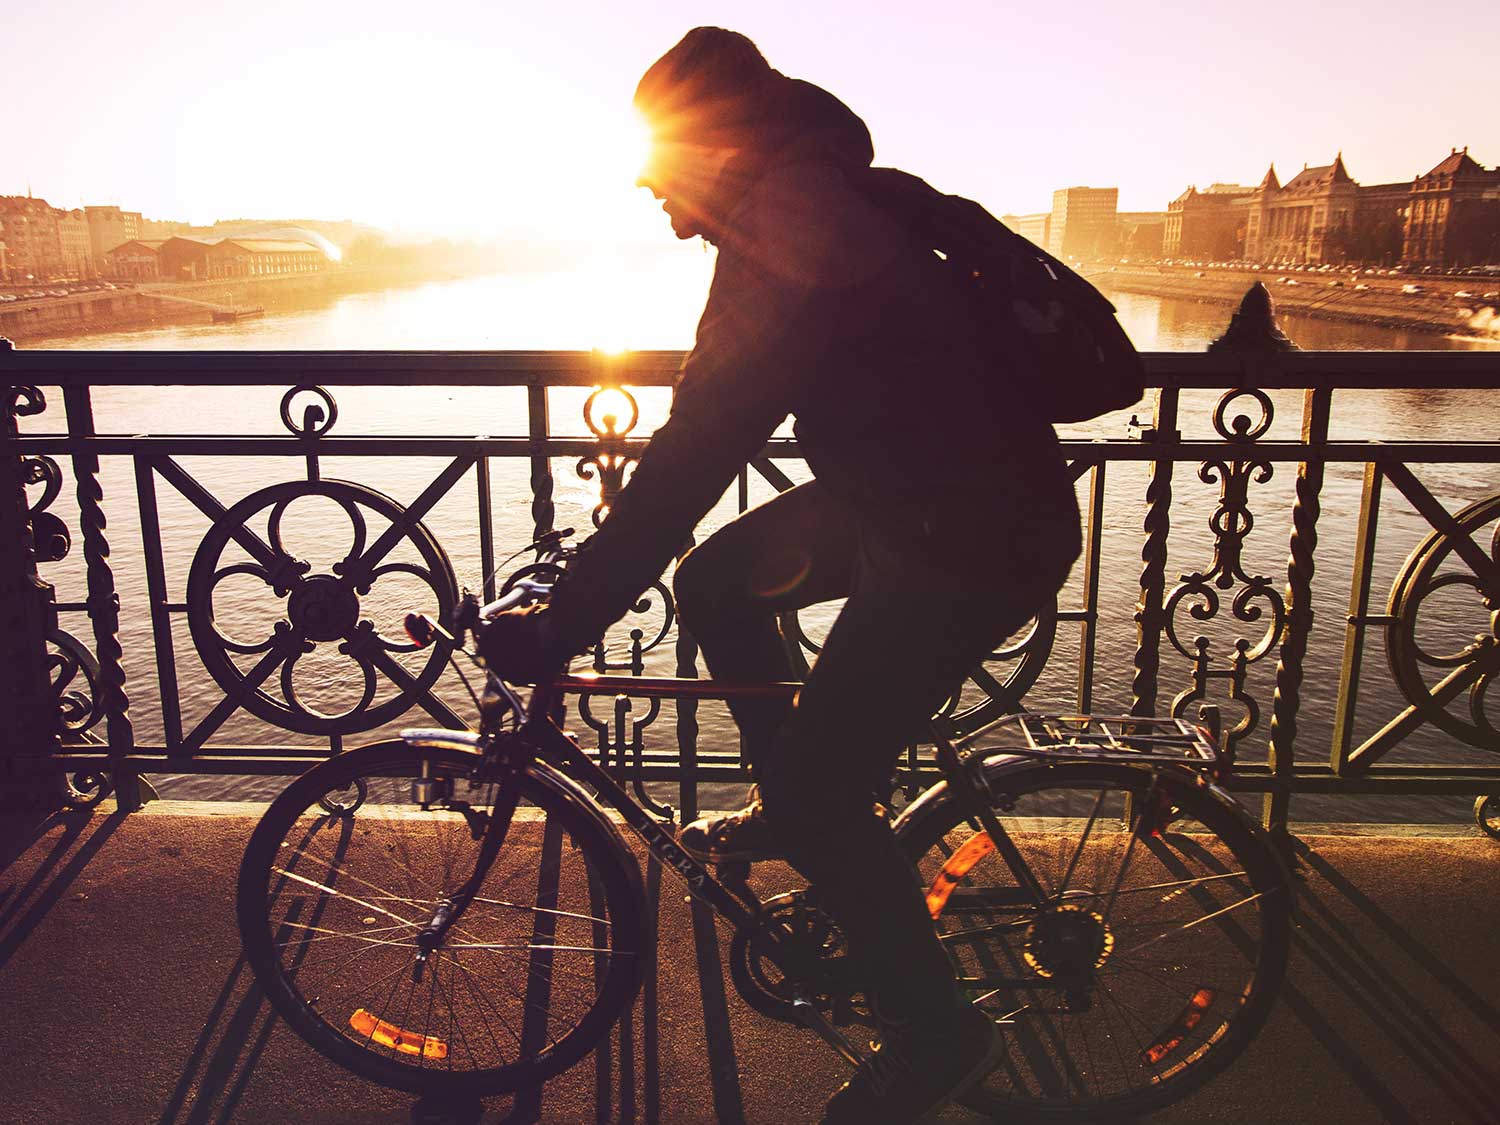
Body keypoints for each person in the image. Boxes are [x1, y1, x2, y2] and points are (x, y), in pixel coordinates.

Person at [480, 26, 1081, 1123]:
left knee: (818, 790)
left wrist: (561, 625)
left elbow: (698, 450)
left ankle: (933, 1034)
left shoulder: (792, 232)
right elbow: (703, 450)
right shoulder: (816, 198)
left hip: (968, 537)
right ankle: (799, 803)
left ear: (717, 151)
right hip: (918, 496)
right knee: (716, 584)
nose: (657, 205)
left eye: (661, 174)